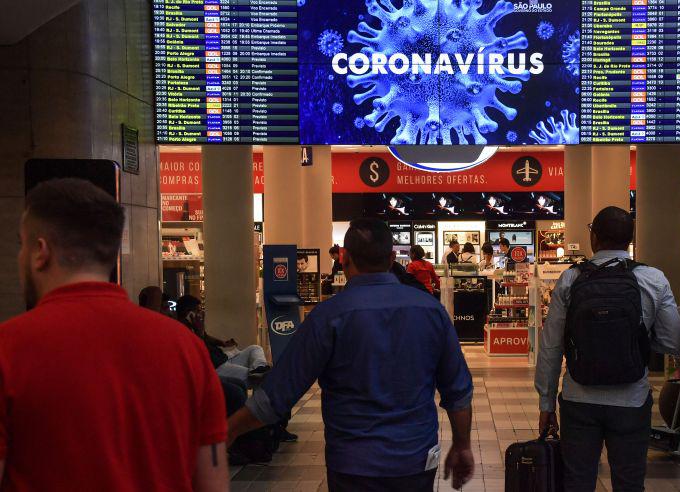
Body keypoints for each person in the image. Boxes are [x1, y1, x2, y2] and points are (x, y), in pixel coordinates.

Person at [0, 178, 227, 490]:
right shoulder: (186, 348)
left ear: (40, 251)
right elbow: (212, 482)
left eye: (21, 244)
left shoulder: (8, 349)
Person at [227, 219, 475, 491]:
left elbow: (278, 394)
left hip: (353, 463)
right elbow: (458, 391)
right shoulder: (431, 311)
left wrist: (227, 432)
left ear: (344, 259)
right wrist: (462, 445)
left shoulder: (329, 316)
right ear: (392, 258)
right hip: (415, 459)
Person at [535, 206, 680, 491]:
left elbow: (551, 345)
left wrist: (546, 403)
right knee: (629, 483)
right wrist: (637, 339)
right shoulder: (653, 279)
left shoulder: (571, 279)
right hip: (632, 399)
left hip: (579, 399)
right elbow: (673, 341)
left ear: (594, 238)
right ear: (630, 240)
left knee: (578, 481)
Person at [178, 295, 271, 387]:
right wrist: (199, 331)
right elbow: (199, 353)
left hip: (222, 359)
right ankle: (256, 376)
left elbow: (206, 337)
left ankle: (259, 368)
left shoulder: (193, 325)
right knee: (263, 379)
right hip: (215, 368)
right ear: (189, 313)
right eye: (198, 311)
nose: (201, 313)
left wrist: (222, 343)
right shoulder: (181, 330)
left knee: (255, 348)